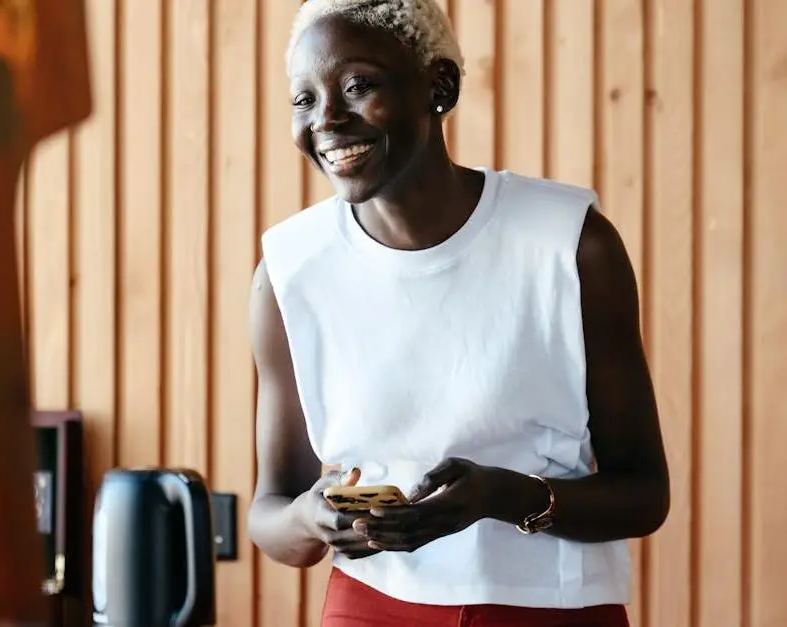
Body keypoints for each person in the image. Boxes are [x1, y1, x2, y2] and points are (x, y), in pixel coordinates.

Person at [246, 1, 670, 625]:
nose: (328, 118)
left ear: (438, 87)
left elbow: (644, 496)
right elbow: (270, 515)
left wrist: (504, 497)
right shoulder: (289, 272)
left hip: (549, 607)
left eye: (358, 86)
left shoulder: (572, 244)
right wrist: (310, 518)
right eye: (303, 99)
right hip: (368, 607)